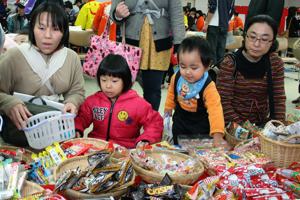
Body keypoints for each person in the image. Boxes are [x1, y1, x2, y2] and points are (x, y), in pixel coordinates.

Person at [0, 2, 85, 146]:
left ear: (64, 32)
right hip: (19, 134)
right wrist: (8, 103)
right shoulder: (14, 56)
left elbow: (76, 91)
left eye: (56, 29)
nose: (47, 36)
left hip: (56, 133)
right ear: (32, 28)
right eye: (41, 28)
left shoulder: (71, 58)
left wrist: (72, 102)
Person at [75, 54, 163, 149]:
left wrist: (145, 139)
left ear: (125, 81)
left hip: (126, 151)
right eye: (103, 80)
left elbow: (155, 123)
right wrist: (77, 129)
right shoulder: (93, 101)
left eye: (114, 81)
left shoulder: (138, 104)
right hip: (97, 148)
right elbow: (81, 118)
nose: (108, 86)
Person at [110, 0, 185, 111]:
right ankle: (121, 121)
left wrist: (179, 41)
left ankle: (151, 121)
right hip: (130, 41)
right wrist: (118, 15)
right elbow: (114, 13)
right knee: (122, 85)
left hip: (159, 41)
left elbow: (176, 12)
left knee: (153, 88)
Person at [217, 15, 286, 126]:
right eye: (252, 37)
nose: (256, 44)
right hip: (232, 126)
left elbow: (278, 100)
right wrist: (247, 130)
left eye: (264, 39)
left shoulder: (275, 63)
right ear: (245, 36)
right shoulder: (230, 63)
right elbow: (223, 103)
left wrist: (278, 128)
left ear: (272, 42)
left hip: (262, 125)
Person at [164, 36, 228, 149]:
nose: (188, 72)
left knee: (199, 156)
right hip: (180, 123)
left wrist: (217, 135)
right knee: (179, 154)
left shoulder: (209, 87)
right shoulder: (177, 77)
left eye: (194, 68)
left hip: (200, 129)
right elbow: (171, 95)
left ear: (207, 66)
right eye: (182, 66)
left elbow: (215, 110)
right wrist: (167, 112)